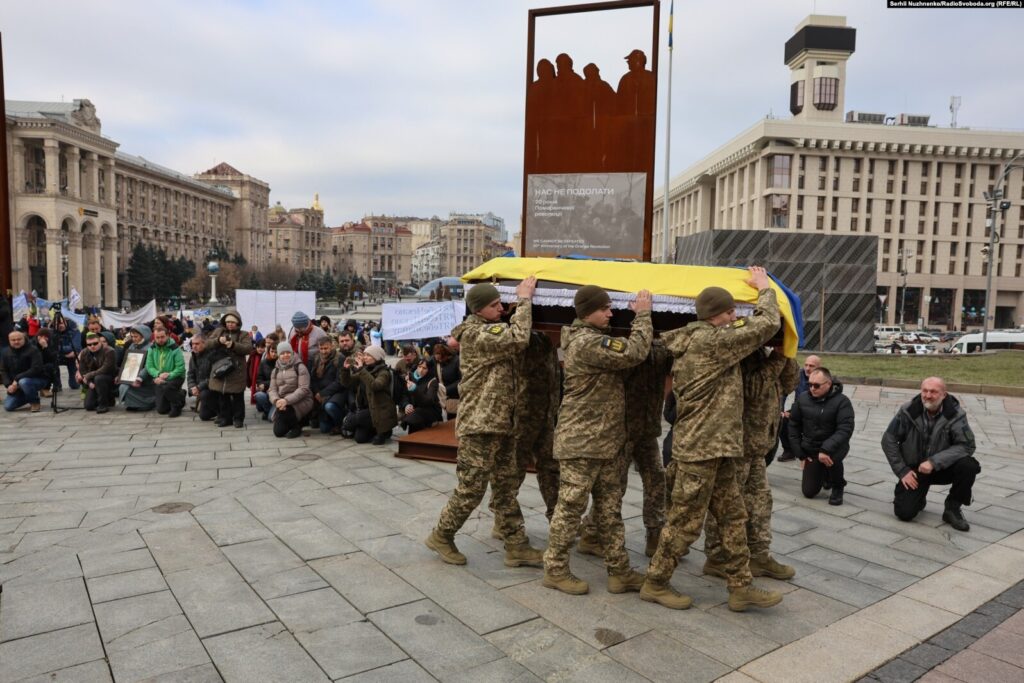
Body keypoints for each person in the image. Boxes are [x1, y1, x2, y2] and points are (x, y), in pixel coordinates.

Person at [643, 267, 785, 612]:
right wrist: (764, 289)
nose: (735, 316)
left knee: (733, 515)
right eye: (730, 311)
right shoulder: (710, 340)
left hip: (718, 446)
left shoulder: (707, 340)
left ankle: (740, 586)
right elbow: (767, 324)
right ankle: (655, 582)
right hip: (699, 449)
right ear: (713, 316)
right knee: (684, 521)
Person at [424, 278, 546, 570]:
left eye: (500, 304)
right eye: (495, 305)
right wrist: (525, 300)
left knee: (505, 486)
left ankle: (516, 545)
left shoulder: (489, 328)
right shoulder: (478, 333)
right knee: (472, 488)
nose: (501, 309)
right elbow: (518, 338)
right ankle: (442, 534)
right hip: (480, 424)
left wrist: (516, 311)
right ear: (478, 309)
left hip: (500, 421)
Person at [542, 285, 653, 596]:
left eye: (609, 308)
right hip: (582, 441)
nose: (610, 313)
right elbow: (634, 352)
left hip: (603, 440)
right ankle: (555, 568)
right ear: (586, 312)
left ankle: (619, 571)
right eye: (604, 308)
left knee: (609, 508)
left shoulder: (591, 338)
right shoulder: (587, 343)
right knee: (571, 507)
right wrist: (643, 316)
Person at [704, 345, 799, 581]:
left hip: (757, 447)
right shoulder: (739, 354)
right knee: (728, 504)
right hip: (738, 446)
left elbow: (789, 384)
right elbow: (753, 388)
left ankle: (758, 555)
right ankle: (717, 557)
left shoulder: (764, 356)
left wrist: (787, 353)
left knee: (760, 502)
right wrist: (777, 357)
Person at [881, 377, 980, 532]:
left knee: (968, 466)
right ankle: (918, 498)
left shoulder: (955, 414)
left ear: (944, 395)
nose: (927, 395)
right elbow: (889, 439)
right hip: (915, 469)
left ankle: (952, 509)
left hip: (942, 468)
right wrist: (902, 471)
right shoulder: (908, 410)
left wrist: (934, 462)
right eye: (924, 391)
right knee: (904, 513)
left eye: (933, 392)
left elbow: (967, 445)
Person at [492, 330, 561, 532]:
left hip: (546, 414)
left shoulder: (547, 341)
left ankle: (557, 517)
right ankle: (502, 518)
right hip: (522, 416)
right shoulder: (522, 339)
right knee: (513, 470)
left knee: (551, 468)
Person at [788, 367, 855, 505]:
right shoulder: (802, 398)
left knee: (830, 459)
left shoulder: (842, 402)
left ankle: (838, 485)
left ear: (829, 384)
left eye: (817, 385)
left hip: (834, 447)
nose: (812, 388)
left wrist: (826, 449)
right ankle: (824, 474)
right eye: (809, 384)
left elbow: (845, 429)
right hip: (811, 447)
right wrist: (799, 452)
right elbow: (794, 424)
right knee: (809, 492)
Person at [341, 345, 397, 445]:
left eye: (368, 355)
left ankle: (383, 430)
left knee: (349, 423)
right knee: (360, 438)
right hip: (366, 409)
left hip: (379, 410)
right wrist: (345, 370)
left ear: (377, 357)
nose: (364, 357)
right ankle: (376, 430)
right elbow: (348, 383)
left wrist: (362, 369)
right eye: (364, 355)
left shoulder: (384, 372)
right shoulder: (365, 370)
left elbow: (375, 385)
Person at [207, 311, 253, 428]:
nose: (230, 324)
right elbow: (207, 344)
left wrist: (233, 345)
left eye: (232, 322)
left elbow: (248, 349)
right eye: (228, 322)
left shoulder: (244, 334)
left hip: (236, 370)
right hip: (220, 369)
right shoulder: (218, 332)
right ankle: (225, 418)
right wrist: (218, 341)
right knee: (223, 396)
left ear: (238, 323)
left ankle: (238, 419)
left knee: (238, 397)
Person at [778, 354, 821, 461]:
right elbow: (784, 392)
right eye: (806, 365)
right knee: (781, 420)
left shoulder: (824, 378)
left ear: (819, 368)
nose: (807, 368)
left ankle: (814, 451)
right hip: (798, 409)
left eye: (812, 366)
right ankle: (789, 451)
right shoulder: (798, 375)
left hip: (818, 411)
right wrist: (781, 410)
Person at [268, 342, 313, 439]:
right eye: (282, 353)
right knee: (278, 432)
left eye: (288, 352)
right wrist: (276, 401)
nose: (285, 355)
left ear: (292, 352)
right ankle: (294, 422)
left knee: (288, 411)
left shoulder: (300, 367)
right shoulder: (275, 370)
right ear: (279, 355)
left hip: (302, 400)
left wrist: (286, 401)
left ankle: (296, 427)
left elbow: (304, 389)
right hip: (282, 402)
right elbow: (272, 389)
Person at [2, 330, 48, 412]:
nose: (16, 342)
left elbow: (36, 369)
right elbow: (3, 370)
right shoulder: (5, 352)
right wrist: (8, 385)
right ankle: (28, 395)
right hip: (16, 384)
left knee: (24, 382)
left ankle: (35, 402)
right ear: (9, 341)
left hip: (37, 379)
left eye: (19, 339)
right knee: (8, 406)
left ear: (24, 339)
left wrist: (17, 379)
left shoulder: (33, 350)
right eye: (13, 340)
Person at [147, 326, 186, 418]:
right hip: (159, 377)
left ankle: (177, 405)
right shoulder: (151, 349)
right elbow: (149, 366)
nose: (160, 339)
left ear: (167, 336)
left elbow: (180, 367)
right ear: (154, 337)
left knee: (167, 387)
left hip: (176, 377)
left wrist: (169, 375)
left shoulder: (175, 348)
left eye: (162, 337)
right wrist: (157, 375)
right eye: (157, 337)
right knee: (161, 410)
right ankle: (180, 393)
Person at [310, 336, 346, 434]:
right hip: (320, 393)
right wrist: (317, 392)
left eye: (326, 348)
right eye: (321, 349)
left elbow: (340, 382)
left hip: (336, 392)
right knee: (324, 429)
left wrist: (323, 393)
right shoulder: (317, 357)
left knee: (330, 406)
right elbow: (313, 378)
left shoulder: (340, 358)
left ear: (331, 346)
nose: (323, 351)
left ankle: (341, 424)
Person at [116, 325, 156, 411]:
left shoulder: (151, 347)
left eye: (136, 336)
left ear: (144, 336)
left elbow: (149, 366)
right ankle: (132, 404)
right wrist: (121, 375)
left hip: (146, 378)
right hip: (132, 375)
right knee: (123, 386)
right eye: (132, 336)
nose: (134, 339)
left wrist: (140, 377)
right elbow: (127, 363)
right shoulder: (132, 346)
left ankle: (147, 403)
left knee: (128, 387)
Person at [398, 358, 441, 434]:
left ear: (429, 369)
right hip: (414, 411)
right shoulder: (410, 377)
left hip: (429, 411)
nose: (421, 370)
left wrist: (415, 390)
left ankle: (406, 422)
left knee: (416, 415)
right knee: (413, 416)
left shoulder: (432, 381)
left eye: (424, 368)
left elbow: (428, 401)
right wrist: (407, 405)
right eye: (419, 367)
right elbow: (404, 395)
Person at [77, 332, 116, 413]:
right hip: (93, 379)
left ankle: (103, 405)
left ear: (100, 342)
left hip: (109, 378)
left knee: (99, 378)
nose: (92, 346)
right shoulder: (84, 352)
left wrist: (88, 376)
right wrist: (89, 382)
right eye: (89, 344)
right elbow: (82, 370)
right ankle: (107, 398)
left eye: (95, 343)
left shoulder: (109, 351)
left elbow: (105, 369)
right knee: (89, 406)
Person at [186, 331, 216, 421]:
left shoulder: (212, 355)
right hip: (200, 389)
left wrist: (199, 387)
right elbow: (190, 374)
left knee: (204, 413)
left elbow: (214, 377)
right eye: (192, 344)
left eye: (197, 344)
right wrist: (192, 387)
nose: (194, 346)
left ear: (204, 343)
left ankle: (225, 408)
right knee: (204, 416)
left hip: (212, 388)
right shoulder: (194, 356)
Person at [52, 313, 82, 391]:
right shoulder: (51, 332)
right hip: (58, 356)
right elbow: (52, 348)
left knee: (75, 385)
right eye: (57, 323)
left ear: (66, 322)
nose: (60, 325)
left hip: (71, 357)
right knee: (51, 364)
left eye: (61, 323)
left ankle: (74, 381)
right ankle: (57, 384)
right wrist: (65, 350)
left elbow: (76, 346)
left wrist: (61, 349)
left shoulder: (75, 331)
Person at [432, 342, 461, 419]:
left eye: (441, 359)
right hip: (442, 396)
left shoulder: (456, 361)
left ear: (446, 355)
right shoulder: (436, 361)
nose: (439, 361)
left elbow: (461, 380)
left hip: (455, 396)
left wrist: (446, 389)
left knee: (454, 418)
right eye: (437, 359)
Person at [253, 342, 278, 420]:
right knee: (259, 395)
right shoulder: (263, 363)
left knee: (271, 418)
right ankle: (268, 411)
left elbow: (279, 380)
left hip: (277, 392)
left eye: (276, 352)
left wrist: (266, 384)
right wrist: (260, 384)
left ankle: (270, 412)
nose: (273, 354)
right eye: (272, 351)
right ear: (268, 352)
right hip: (266, 391)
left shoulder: (281, 363)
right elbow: (259, 378)